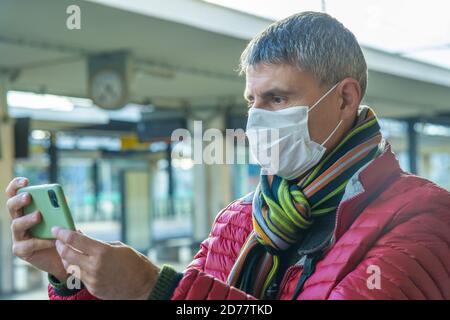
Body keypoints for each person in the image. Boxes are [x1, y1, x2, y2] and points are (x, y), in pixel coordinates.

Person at [5, 11, 450, 300]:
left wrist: (155, 289)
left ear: (345, 98)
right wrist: (73, 279)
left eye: (276, 99)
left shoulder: (422, 218)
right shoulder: (238, 221)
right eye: (251, 101)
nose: (256, 119)